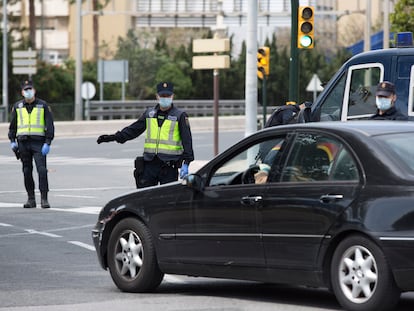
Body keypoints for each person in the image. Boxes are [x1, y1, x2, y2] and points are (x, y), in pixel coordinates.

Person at [97, 81, 194, 188]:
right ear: (157, 96)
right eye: (162, 95)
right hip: (149, 164)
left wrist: (186, 163)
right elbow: (134, 130)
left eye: (167, 96)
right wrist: (114, 137)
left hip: (169, 167)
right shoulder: (149, 114)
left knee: (166, 201)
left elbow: (187, 141)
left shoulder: (180, 116)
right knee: (145, 199)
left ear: (172, 96)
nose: (165, 98)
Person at [8, 79, 55, 208]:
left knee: (42, 170)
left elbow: (50, 125)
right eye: (26, 90)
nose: (28, 92)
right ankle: (31, 199)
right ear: (22, 92)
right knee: (27, 171)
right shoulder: (17, 107)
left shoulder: (43, 105)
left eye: (30, 89)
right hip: (23, 143)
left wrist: (48, 142)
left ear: (34, 90)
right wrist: (12, 141)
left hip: (39, 143)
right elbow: (13, 126)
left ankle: (44, 199)